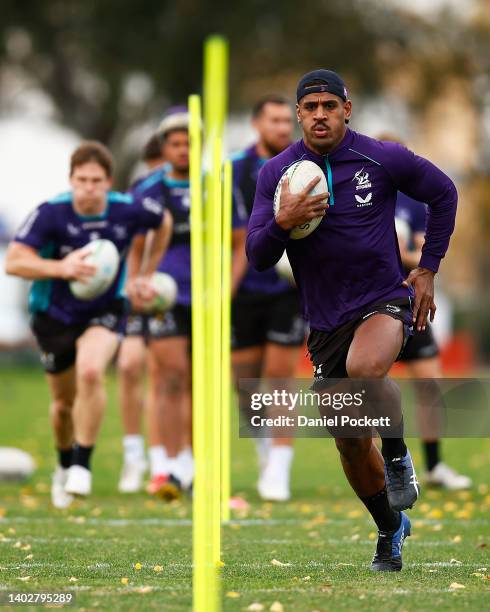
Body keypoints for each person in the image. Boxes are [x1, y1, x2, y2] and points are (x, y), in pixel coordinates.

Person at [246, 69, 458, 571]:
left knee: (367, 370)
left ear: (347, 109)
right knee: (348, 442)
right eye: (311, 106)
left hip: (383, 298)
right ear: (299, 113)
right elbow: (257, 255)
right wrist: (283, 219)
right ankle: (389, 528)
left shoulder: (381, 158)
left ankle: (400, 455)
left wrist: (427, 269)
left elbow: (444, 193)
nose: (320, 114)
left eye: (329, 105)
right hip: (323, 323)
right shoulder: (276, 173)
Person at [5, 141, 170, 508]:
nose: (89, 187)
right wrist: (61, 268)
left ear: (108, 182)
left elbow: (164, 222)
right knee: (63, 405)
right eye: (82, 180)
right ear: (71, 180)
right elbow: (14, 262)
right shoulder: (51, 213)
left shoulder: (128, 209)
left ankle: (82, 464)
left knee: (92, 372)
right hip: (54, 314)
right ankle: (64, 465)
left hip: (106, 308)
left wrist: (146, 273)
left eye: (97, 180)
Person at [231, 96, 306, 501]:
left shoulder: (304, 164)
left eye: (285, 120)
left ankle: (279, 467)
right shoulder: (235, 169)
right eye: (274, 120)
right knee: (244, 386)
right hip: (243, 289)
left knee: (280, 380)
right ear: (256, 123)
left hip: (287, 290)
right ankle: (263, 445)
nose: (282, 127)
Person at [394, 192, 471, 490]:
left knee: (429, 383)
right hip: (370, 304)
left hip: (410, 303)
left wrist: (400, 253)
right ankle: (378, 471)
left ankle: (434, 465)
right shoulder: (354, 195)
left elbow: (424, 256)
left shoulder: (412, 203)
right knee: (371, 386)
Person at [117, 130, 169, 494]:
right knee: (129, 365)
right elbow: (131, 243)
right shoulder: (141, 191)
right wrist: (134, 281)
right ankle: (133, 453)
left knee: (161, 375)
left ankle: (160, 459)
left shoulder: (195, 190)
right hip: (139, 292)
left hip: (171, 293)